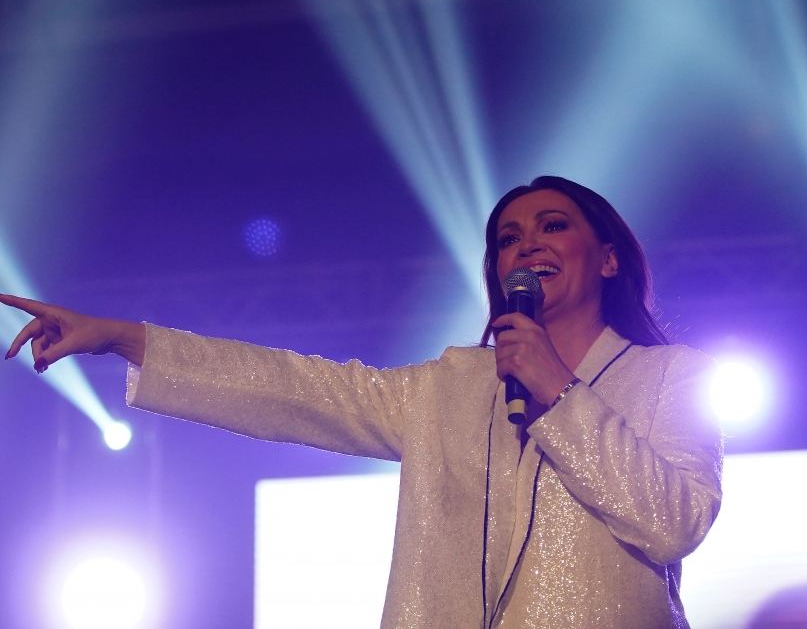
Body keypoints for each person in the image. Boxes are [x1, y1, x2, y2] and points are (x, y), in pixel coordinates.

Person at [1, 175, 722, 629]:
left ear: (608, 257)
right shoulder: (452, 386)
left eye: (552, 225)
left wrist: (557, 392)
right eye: (508, 238)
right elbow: (292, 386)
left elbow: (675, 522)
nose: (526, 246)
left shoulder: (670, 377)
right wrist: (125, 339)